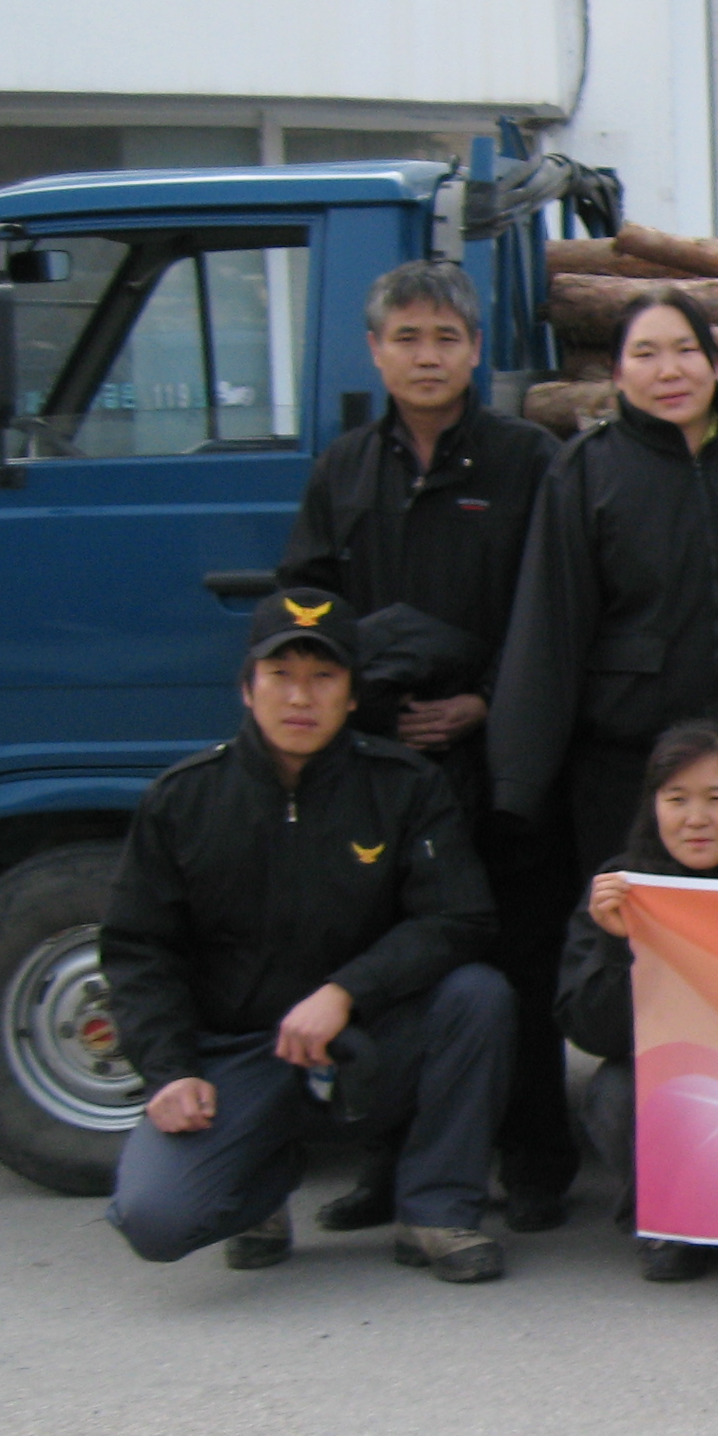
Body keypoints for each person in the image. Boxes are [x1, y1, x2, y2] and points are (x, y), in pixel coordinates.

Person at [275, 258, 571, 1229]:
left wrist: (487, 702)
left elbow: (556, 607)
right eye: (407, 338)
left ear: (477, 349)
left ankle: (535, 1161)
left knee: (518, 958)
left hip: (500, 757)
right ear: (375, 350)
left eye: (447, 337)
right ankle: (390, 1163)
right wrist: (366, 707)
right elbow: (308, 609)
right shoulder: (344, 471)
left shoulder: (529, 460)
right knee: (392, 957)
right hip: (384, 764)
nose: (427, 356)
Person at [102, 592, 511, 1282]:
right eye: (280, 675)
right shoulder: (183, 800)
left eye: (323, 677)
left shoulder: (405, 786)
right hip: (238, 1056)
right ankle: (261, 1181)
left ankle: (436, 1210)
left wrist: (346, 992)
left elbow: (459, 919)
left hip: (363, 1044)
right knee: (156, 1221)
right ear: (246, 687)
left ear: (352, 697)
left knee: (478, 997)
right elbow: (140, 950)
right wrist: (169, 1071)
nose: (301, 697)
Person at [489, 289, 718, 874]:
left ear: (714, 361)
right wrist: (518, 779)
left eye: (686, 350)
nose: (669, 371)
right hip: (625, 768)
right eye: (646, 354)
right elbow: (548, 628)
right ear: (616, 372)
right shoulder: (588, 471)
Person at [558, 717, 718, 1283]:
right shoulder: (621, 887)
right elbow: (591, 1033)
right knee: (613, 1092)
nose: (696, 818)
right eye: (676, 799)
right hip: (672, 1074)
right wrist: (616, 944)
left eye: (717, 799)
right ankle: (670, 1222)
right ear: (654, 807)